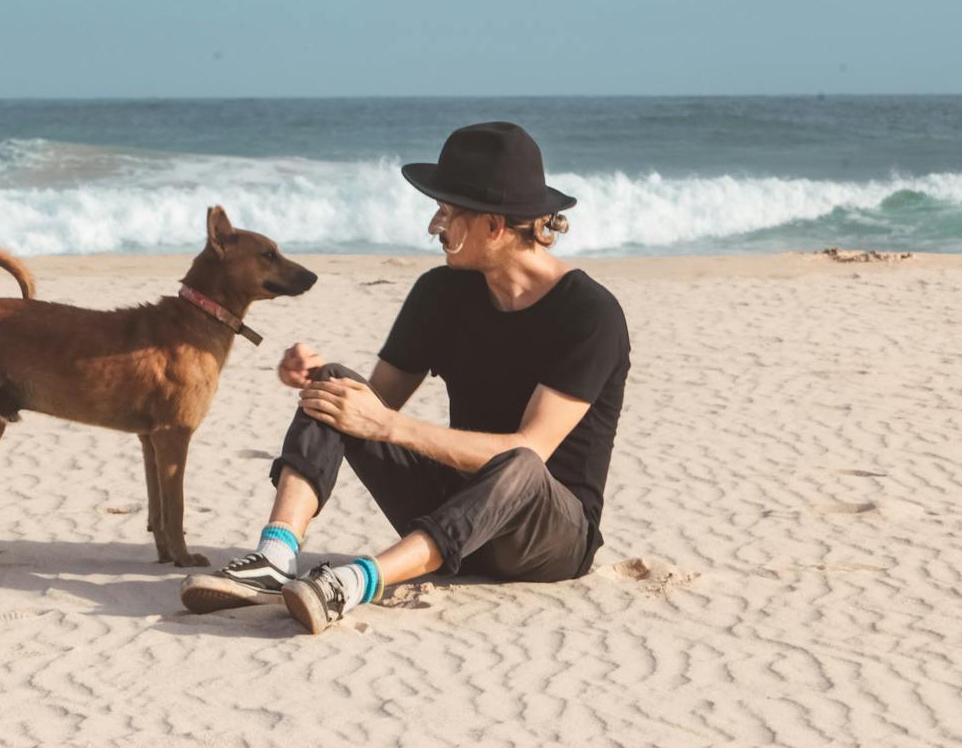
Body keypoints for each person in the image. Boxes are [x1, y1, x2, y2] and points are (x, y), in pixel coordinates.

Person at [179, 121, 630, 634]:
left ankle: (357, 582)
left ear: (494, 225)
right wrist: (317, 381)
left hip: (546, 539)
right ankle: (275, 557)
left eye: (447, 211)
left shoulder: (590, 315)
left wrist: (389, 426)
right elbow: (373, 404)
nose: (434, 225)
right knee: (336, 386)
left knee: (520, 461)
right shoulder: (441, 292)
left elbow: (529, 450)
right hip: (451, 521)